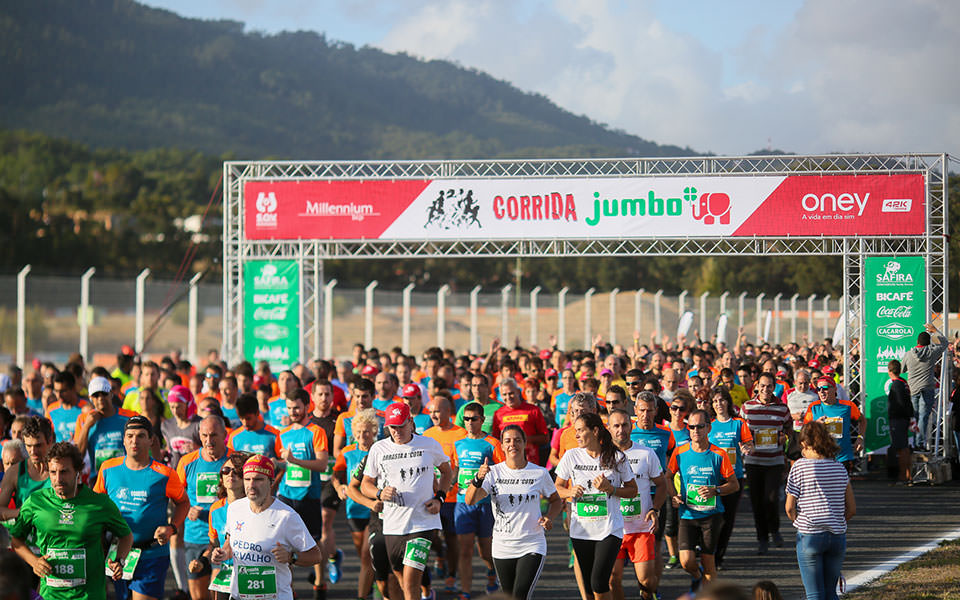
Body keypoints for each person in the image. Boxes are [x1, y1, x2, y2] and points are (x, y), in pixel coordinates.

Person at [9, 441, 134, 600]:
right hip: (51, 595)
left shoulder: (99, 503)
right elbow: (16, 540)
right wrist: (34, 562)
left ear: (78, 472)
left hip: (90, 595)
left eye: (64, 472)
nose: (58, 479)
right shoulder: (35, 502)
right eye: (53, 472)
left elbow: (126, 536)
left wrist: (119, 561)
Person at [360, 401, 454, 600]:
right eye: (392, 427)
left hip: (423, 522)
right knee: (401, 580)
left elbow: (447, 472)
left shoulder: (428, 444)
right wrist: (379, 493)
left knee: (411, 584)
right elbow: (365, 484)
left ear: (411, 422)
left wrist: (440, 498)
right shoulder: (379, 449)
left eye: (401, 426)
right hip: (393, 524)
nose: (397, 431)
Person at [94, 415, 190, 600]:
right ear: (123, 439)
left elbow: (183, 502)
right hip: (117, 552)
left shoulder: (164, 474)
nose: (134, 441)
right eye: (129, 436)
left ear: (151, 439)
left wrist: (171, 528)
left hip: (151, 554)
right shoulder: (108, 468)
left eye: (140, 436)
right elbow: (96, 506)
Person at [464, 425, 562, 600]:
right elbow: (470, 500)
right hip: (503, 546)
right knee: (509, 596)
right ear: (501, 446)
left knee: (520, 595)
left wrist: (549, 517)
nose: (512, 444)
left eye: (517, 440)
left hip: (532, 543)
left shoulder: (539, 472)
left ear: (525, 444)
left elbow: (555, 500)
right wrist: (478, 478)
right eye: (507, 441)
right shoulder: (492, 472)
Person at [210, 455, 322, 600]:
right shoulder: (234, 509)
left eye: (258, 479)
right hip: (240, 596)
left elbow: (316, 555)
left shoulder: (286, 516)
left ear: (271, 482)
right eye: (247, 479)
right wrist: (223, 553)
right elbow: (230, 543)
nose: (251, 485)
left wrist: (290, 557)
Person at [555, 412, 638, 600]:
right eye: (575, 431)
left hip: (609, 529)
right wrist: (570, 492)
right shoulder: (571, 456)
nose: (576, 435)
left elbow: (633, 490)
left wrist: (611, 489)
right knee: (589, 587)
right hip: (581, 529)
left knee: (599, 582)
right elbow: (556, 488)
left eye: (580, 430)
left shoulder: (617, 457)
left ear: (595, 431)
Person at [667, 409, 739, 592]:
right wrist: (674, 495)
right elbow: (667, 477)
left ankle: (709, 594)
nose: (695, 431)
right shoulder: (680, 452)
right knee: (686, 561)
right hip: (688, 515)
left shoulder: (718, 454)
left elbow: (734, 484)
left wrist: (715, 490)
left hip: (712, 516)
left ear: (708, 428)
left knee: (709, 563)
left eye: (700, 426)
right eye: (691, 427)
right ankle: (697, 578)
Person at [785, 420, 856, 600]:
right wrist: (836, 521)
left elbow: (789, 507)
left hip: (810, 533)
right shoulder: (840, 468)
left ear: (803, 443)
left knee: (815, 594)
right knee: (831, 592)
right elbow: (852, 508)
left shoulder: (799, 467)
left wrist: (798, 522)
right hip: (837, 536)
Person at [606, 409, 667, 600]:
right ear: (608, 428)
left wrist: (654, 509)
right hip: (612, 529)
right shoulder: (601, 456)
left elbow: (662, 483)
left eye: (624, 425)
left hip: (640, 527)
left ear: (631, 426)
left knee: (647, 581)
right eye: (616, 426)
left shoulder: (646, 453)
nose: (621, 430)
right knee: (612, 580)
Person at [276, 388, 330, 598]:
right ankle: (289, 588)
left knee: (313, 541)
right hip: (286, 495)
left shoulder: (316, 432)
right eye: (289, 408)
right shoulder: (283, 433)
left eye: (297, 407)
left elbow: (322, 464)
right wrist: (276, 464)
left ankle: (319, 582)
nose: (293, 411)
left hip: (309, 495)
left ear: (307, 406)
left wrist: (295, 460)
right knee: (282, 542)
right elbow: (284, 464)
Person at [452, 401, 505, 599]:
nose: (470, 422)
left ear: (482, 420)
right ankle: (465, 592)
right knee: (464, 550)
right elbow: (455, 468)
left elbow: (502, 471)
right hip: (463, 504)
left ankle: (492, 571)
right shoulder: (458, 443)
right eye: (466, 419)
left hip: (485, 505)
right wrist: (447, 486)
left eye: (474, 419)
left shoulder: (493, 443)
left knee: (485, 551)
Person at [178, 416, 232, 600]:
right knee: (198, 597)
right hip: (195, 537)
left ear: (225, 434)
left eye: (214, 435)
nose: (209, 441)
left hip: (224, 539)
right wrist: (186, 509)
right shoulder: (187, 462)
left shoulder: (235, 461)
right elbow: (177, 498)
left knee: (219, 595)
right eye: (204, 435)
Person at [741, 372, 792, 554]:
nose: (765, 389)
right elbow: (740, 431)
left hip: (774, 460)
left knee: (770, 499)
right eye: (762, 386)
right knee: (756, 501)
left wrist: (784, 437)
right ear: (757, 386)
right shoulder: (747, 407)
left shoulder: (782, 408)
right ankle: (762, 537)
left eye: (769, 386)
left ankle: (775, 530)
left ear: (774, 387)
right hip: (753, 460)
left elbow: (789, 428)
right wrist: (744, 445)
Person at [332, 409, 380, 600]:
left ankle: (370, 591)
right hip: (353, 509)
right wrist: (339, 487)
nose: (362, 436)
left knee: (368, 555)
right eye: (358, 432)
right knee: (363, 556)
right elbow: (336, 475)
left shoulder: (381, 449)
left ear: (374, 431)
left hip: (374, 509)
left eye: (366, 432)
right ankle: (373, 581)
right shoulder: (347, 452)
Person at [708, 386, 754, 569]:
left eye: (722, 400)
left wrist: (747, 448)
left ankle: (719, 556)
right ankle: (708, 553)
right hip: (711, 477)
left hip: (733, 478)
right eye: (715, 401)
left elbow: (749, 444)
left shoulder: (738, 423)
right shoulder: (708, 424)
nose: (719, 404)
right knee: (711, 518)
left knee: (727, 518)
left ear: (728, 402)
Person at [204, 452, 249, 600]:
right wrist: (213, 556)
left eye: (237, 471)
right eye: (226, 470)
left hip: (251, 573)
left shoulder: (255, 506)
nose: (231, 474)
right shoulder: (215, 509)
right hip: (226, 574)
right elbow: (214, 544)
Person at [74, 376, 136, 476]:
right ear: (90, 398)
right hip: (98, 479)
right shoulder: (83, 420)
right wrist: (86, 427)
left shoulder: (130, 417)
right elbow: (78, 456)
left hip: (125, 476)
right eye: (96, 395)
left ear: (111, 394)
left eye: (104, 394)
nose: (100, 398)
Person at [803, 376, 865, 471]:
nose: (821, 391)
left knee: (842, 485)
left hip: (842, 457)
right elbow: (804, 429)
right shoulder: (813, 407)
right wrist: (816, 424)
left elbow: (862, 420)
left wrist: (860, 438)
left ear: (835, 389)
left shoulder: (847, 406)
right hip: (819, 457)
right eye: (819, 389)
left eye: (825, 388)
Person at [901, 323, 946, 449]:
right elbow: (945, 343)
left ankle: (914, 443)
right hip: (927, 388)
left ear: (917, 341)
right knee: (923, 417)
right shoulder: (932, 351)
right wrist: (935, 331)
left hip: (913, 388)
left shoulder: (909, 354)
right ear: (928, 343)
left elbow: (902, 369)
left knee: (915, 416)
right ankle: (919, 443)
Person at [491, 379, 549, 466]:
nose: (508, 397)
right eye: (504, 394)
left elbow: (545, 438)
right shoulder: (498, 414)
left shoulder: (533, 410)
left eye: (511, 393)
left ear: (518, 391)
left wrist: (522, 440)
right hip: (507, 465)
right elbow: (496, 441)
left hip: (530, 463)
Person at [0, 416, 53, 509]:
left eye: (38, 445)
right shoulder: (14, 472)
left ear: (50, 441)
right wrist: (23, 514)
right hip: (24, 522)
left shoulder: (62, 469)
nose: (33, 452)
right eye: (28, 446)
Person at [227, 393, 282, 458]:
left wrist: (276, 464)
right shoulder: (234, 437)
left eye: (248, 418)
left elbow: (283, 462)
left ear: (257, 413)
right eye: (241, 418)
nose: (245, 423)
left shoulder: (274, 435)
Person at [887, 359, 913, 484]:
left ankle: (903, 476)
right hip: (903, 418)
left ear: (889, 371)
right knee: (904, 447)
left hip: (898, 419)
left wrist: (896, 415)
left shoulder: (897, 384)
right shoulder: (903, 382)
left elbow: (900, 403)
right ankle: (908, 475)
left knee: (902, 448)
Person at [47, 371, 89, 443]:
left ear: (73, 389)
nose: (59, 395)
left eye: (63, 391)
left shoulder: (85, 408)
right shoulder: (51, 410)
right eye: (56, 391)